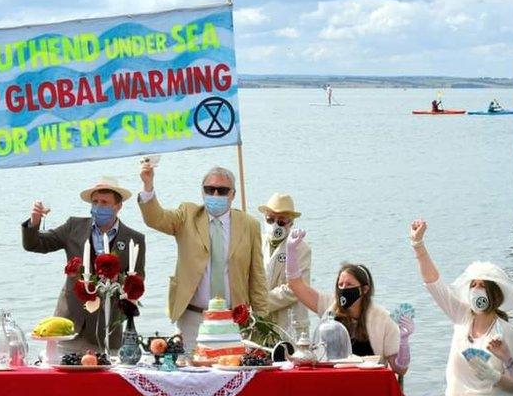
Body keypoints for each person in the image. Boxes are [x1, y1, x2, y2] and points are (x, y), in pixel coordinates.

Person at [138, 159, 267, 350]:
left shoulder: (249, 225)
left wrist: (263, 322)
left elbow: (258, 277)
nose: (215, 194)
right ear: (202, 191)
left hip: (234, 318)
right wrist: (148, 186)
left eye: (222, 190)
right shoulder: (187, 215)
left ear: (233, 195)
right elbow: (156, 219)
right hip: (193, 317)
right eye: (210, 189)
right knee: (192, 372)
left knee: (233, 369)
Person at [409, 219, 513, 396]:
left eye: (483, 286)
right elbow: (434, 283)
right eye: (474, 286)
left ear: (494, 294)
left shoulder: (505, 331)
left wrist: (493, 376)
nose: (477, 290)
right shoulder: (462, 316)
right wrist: (418, 245)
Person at [24, 177, 145, 353]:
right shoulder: (74, 226)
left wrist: (116, 283)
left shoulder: (134, 239)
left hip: (107, 331)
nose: (98, 206)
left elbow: (137, 282)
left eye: (104, 202)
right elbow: (35, 244)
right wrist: (34, 223)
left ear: (118, 206)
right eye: (95, 202)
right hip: (68, 327)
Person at [283, 229, 411, 375]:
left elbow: (400, 369)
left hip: (368, 382)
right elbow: (296, 285)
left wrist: (404, 342)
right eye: (340, 285)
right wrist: (291, 251)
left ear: (364, 289)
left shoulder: (383, 319)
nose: (344, 289)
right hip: (331, 378)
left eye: (349, 285)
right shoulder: (329, 305)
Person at [259, 193, 311, 339]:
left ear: (291, 222)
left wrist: (261, 302)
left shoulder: (301, 248)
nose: (275, 224)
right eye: (270, 219)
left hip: (289, 324)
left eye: (281, 221)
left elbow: (295, 289)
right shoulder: (255, 244)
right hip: (260, 324)